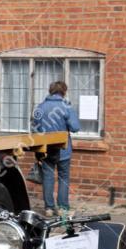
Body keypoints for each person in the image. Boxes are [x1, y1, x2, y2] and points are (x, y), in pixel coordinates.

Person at [32, 80, 80, 216]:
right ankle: (63, 208)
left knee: (48, 177)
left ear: (50, 91)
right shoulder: (67, 107)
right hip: (63, 150)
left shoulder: (40, 107)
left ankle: (49, 208)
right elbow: (76, 127)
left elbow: (34, 128)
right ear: (63, 91)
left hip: (46, 149)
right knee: (63, 177)